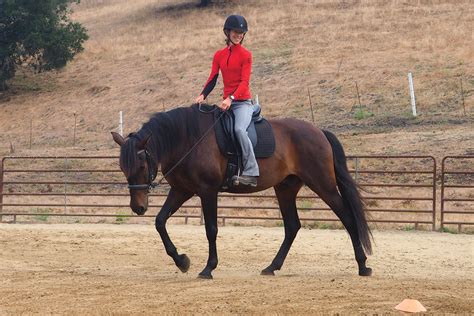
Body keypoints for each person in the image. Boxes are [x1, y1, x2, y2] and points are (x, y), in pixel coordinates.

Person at [195, 14, 259, 187]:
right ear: (227, 32)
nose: (239, 35)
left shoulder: (246, 55)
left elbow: (244, 82)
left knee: (239, 130)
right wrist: (203, 95)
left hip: (242, 103)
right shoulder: (219, 55)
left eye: (242, 32)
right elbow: (213, 78)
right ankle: (225, 172)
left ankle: (252, 172)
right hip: (226, 104)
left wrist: (231, 98)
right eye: (236, 31)